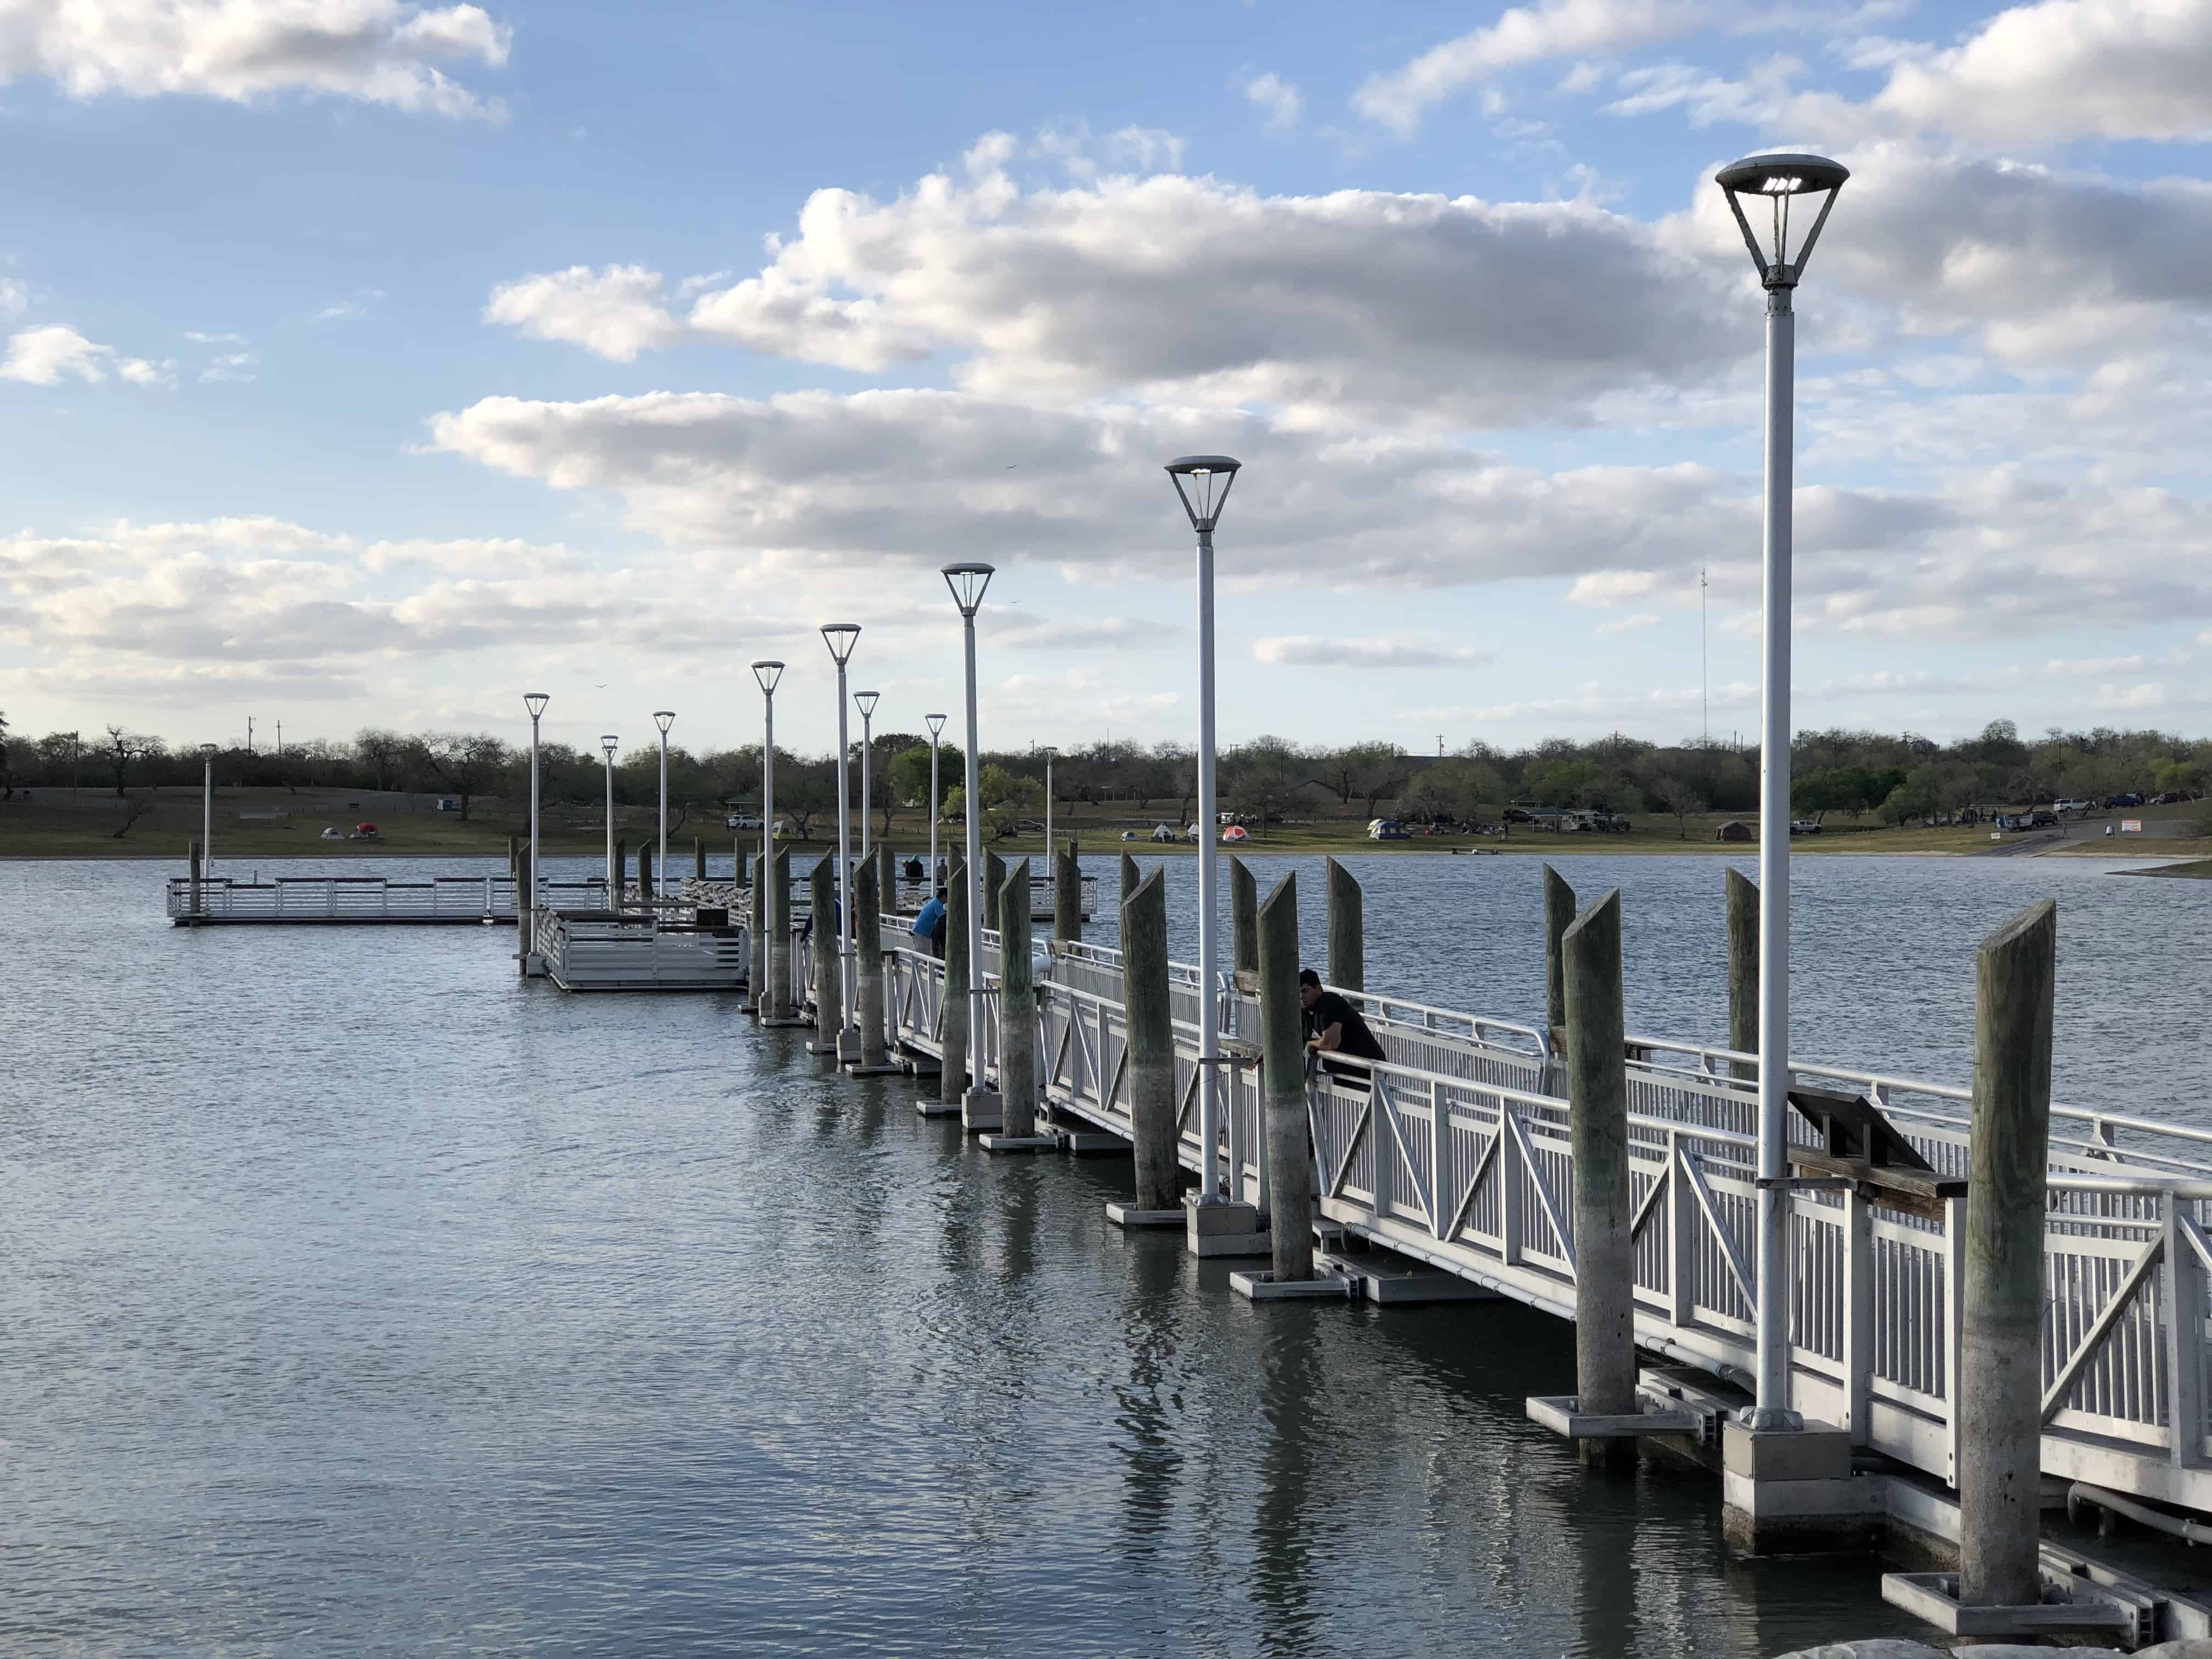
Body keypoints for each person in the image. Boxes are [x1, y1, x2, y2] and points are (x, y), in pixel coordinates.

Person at [1299, 968, 1385, 1089]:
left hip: (1367, 1069)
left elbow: (1331, 1043)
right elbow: (1297, 1040)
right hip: (1346, 1070)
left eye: (1305, 991)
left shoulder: (1329, 1003)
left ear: (1319, 989)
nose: (1302, 997)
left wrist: (1311, 1044)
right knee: (1348, 1106)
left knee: (1367, 1106)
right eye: (1298, 993)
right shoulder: (1306, 1011)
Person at [911, 887, 947, 958]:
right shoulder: (937, 904)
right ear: (944, 897)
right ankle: (916, 970)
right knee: (919, 956)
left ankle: (923, 969)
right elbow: (944, 918)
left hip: (922, 933)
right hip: (921, 933)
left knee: (926, 956)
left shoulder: (934, 902)